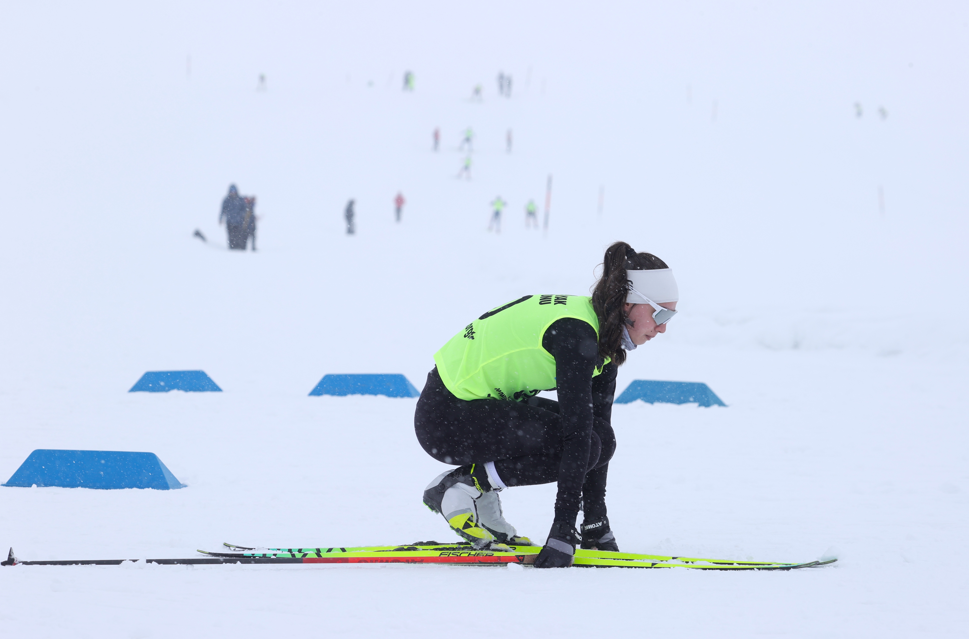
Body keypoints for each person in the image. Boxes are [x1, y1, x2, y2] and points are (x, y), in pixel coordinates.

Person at [415, 242, 679, 568]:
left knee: (601, 439)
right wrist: (563, 529)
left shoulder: (602, 336)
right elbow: (576, 437)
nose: (664, 327)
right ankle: (463, 487)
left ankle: (475, 492)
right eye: (660, 313)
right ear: (629, 304)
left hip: (474, 409)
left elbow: (597, 432)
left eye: (671, 316)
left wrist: (595, 523)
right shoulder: (577, 334)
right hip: (445, 418)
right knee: (580, 442)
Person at [219, 184, 248, 250]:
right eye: (231, 190)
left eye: (234, 190)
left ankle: (239, 248)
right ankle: (232, 249)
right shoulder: (226, 200)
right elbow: (223, 210)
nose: (233, 192)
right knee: (231, 237)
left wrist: (241, 215)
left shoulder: (240, 200)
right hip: (229, 222)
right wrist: (220, 218)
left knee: (239, 236)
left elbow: (245, 209)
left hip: (239, 222)